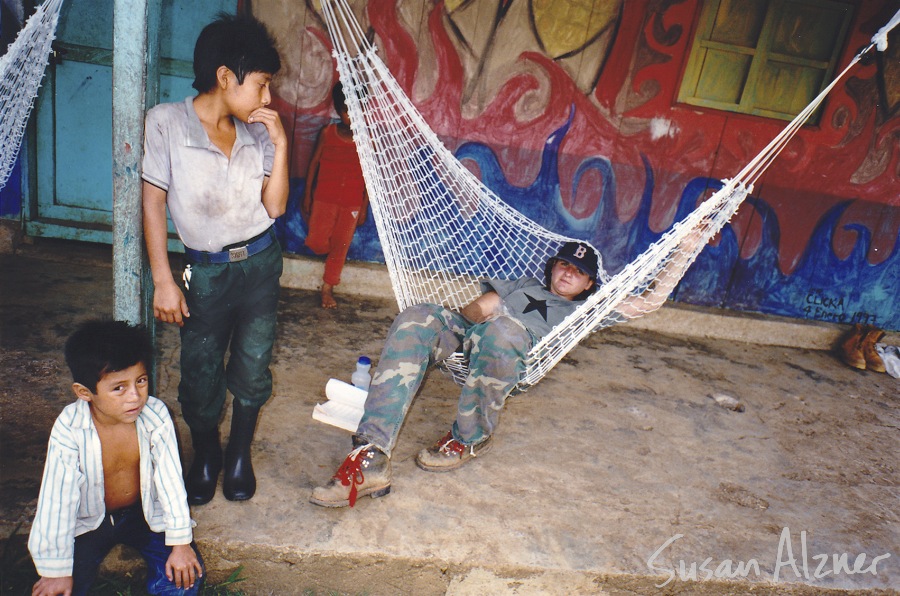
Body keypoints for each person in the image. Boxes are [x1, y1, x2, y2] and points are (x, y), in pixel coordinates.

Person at [310, 241, 604, 508]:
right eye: (564, 264)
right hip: (476, 339)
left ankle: (469, 438)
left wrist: (653, 285)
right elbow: (475, 309)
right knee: (418, 318)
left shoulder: (584, 311)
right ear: (553, 267)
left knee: (504, 331)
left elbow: (636, 304)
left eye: (579, 272)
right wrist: (480, 325)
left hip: (511, 358)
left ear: (589, 284)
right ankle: (371, 455)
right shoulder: (524, 285)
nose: (568, 273)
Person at [141, 14, 288, 505]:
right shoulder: (166, 122)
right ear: (226, 77)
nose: (267, 98)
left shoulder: (260, 132)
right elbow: (154, 203)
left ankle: (239, 453)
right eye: (262, 84)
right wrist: (164, 280)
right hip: (203, 272)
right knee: (200, 368)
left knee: (252, 364)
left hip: (261, 265)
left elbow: (276, 207)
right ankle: (206, 454)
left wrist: (282, 144)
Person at [28, 320, 204, 596]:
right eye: (118, 388)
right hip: (89, 522)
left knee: (183, 580)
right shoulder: (69, 428)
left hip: (144, 515)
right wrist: (56, 572)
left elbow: (170, 480)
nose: (135, 396)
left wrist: (181, 543)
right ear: (84, 392)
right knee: (62, 588)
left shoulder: (155, 416)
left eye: (141, 381)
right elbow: (57, 499)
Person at [301, 82, 369, 309]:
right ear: (339, 111)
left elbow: (369, 178)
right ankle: (333, 254)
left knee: (340, 247)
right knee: (316, 242)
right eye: (348, 111)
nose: (353, 117)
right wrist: (307, 196)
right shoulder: (327, 133)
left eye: (358, 112)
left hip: (351, 203)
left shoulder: (365, 142)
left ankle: (328, 289)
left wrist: (364, 207)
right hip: (324, 198)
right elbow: (313, 165)